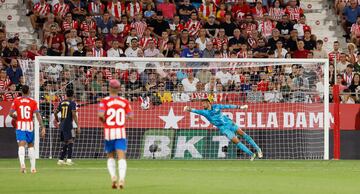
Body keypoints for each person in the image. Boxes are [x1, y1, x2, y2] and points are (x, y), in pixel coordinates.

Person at [184, 99, 263, 160]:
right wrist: (188, 108)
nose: (202, 105)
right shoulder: (205, 112)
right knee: (236, 141)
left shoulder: (217, 106)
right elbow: (195, 111)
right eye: (202, 104)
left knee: (242, 133)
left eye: (203, 103)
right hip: (223, 129)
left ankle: (258, 149)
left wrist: (240, 107)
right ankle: (252, 154)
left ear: (208, 103)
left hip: (228, 123)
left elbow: (228, 106)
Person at [98, 79, 133, 189]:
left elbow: (100, 114)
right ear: (119, 89)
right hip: (120, 132)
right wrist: (123, 117)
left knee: (110, 156)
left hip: (109, 132)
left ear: (109, 88)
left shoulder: (104, 101)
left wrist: (104, 120)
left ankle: (113, 176)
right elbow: (131, 116)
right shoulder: (124, 101)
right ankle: (122, 178)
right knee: (121, 156)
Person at [8, 85, 46, 173]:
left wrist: (16, 117)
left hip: (20, 125)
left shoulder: (17, 100)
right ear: (28, 91)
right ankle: (33, 168)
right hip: (29, 125)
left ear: (21, 92)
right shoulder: (33, 102)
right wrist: (42, 127)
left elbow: (10, 113)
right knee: (30, 145)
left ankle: (22, 164)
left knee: (21, 145)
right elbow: (37, 115)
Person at [54, 89, 80, 165]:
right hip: (68, 124)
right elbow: (74, 115)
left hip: (62, 125)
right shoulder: (72, 103)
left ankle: (61, 160)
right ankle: (69, 160)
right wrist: (78, 126)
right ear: (72, 95)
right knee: (71, 140)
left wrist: (58, 121)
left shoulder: (61, 102)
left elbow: (55, 113)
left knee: (66, 142)